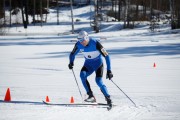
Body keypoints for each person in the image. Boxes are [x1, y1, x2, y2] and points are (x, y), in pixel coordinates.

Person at [68, 31, 113, 107]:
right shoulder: (78, 44)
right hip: (88, 64)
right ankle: (91, 96)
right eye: (79, 41)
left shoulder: (95, 43)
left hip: (98, 64)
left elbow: (106, 56)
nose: (81, 42)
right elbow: (72, 54)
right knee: (82, 75)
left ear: (86, 38)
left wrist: (109, 70)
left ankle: (108, 97)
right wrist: (71, 62)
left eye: (82, 40)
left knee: (98, 81)